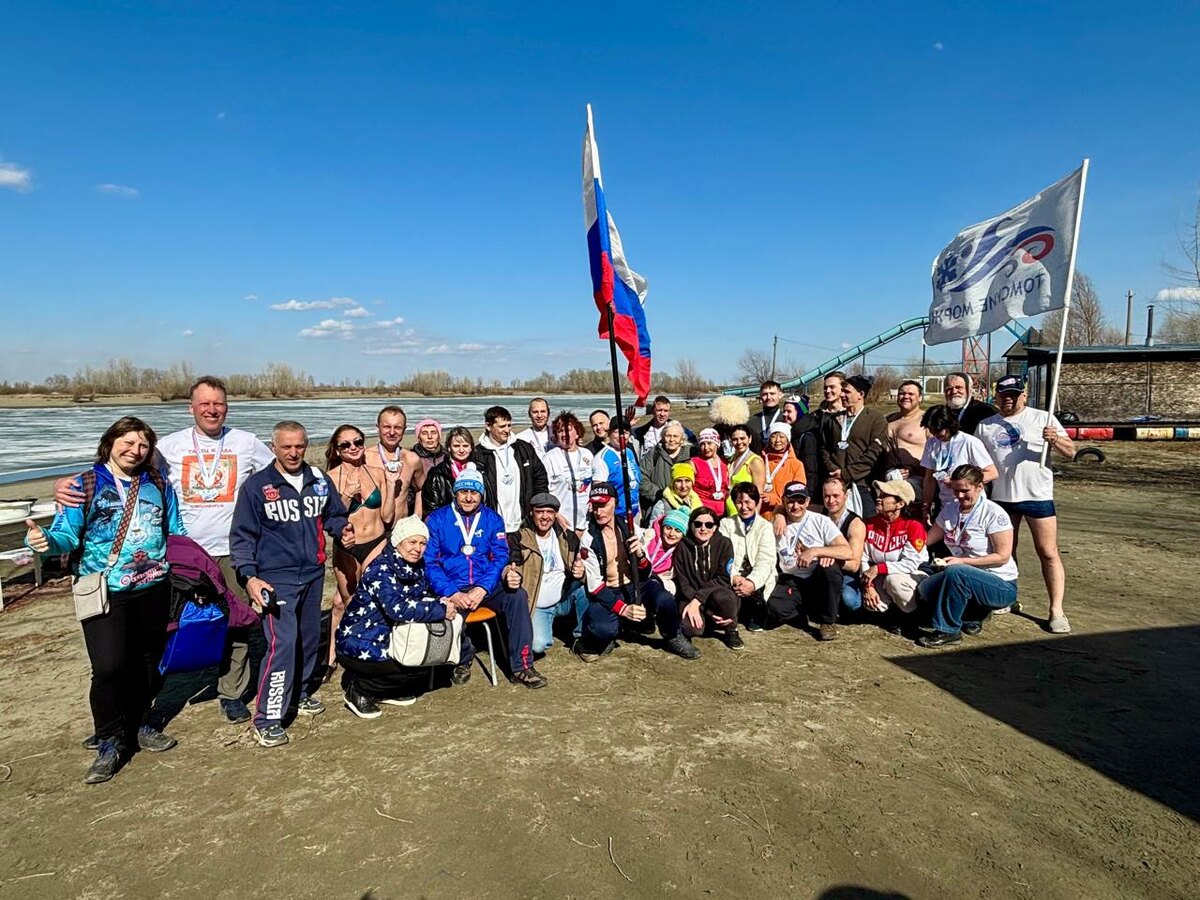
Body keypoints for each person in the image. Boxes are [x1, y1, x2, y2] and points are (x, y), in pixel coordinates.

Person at [53, 375, 274, 726]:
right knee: (165, 627)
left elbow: (274, 475)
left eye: (218, 404)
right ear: (192, 409)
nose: (212, 410)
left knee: (235, 622)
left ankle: (231, 692)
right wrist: (65, 484)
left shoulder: (247, 442)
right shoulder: (168, 447)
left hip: (234, 550)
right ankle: (145, 704)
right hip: (177, 554)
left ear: (227, 407)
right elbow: (121, 469)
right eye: (204, 404)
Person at [27, 416, 185, 784]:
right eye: (128, 442)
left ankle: (141, 722)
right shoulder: (85, 483)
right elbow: (66, 536)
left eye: (143, 445)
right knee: (110, 666)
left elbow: (174, 530)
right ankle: (110, 739)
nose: (135, 450)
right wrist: (44, 543)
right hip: (104, 590)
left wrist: (186, 567)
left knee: (149, 661)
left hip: (154, 586)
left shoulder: (158, 483)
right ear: (110, 443)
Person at [229, 421, 353, 748]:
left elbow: (334, 515)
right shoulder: (258, 487)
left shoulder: (317, 480)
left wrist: (342, 529)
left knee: (308, 638)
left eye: (299, 446)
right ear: (274, 448)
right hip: (275, 578)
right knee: (282, 643)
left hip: (312, 573)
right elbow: (242, 537)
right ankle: (268, 718)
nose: (294, 453)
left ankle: (298, 692)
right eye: (287, 447)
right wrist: (249, 575)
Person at [424, 464, 546, 687]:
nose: (469, 498)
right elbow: (430, 563)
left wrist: (483, 588)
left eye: (474, 492)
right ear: (455, 492)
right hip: (452, 586)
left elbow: (500, 556)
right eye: (463, 492)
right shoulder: (436, 519)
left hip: (485, 586)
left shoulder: (493, 519)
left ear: (481, 494)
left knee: (517, 596)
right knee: (443, 609)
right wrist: (451, 592)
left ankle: (522, 666)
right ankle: (463, 657)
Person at [975, 374, 1075, 633]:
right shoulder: (986, 426)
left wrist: (1054, 439)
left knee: (1048, 552)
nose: (1008, 400)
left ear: (1023, 395)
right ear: (995, 396)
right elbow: (978, 464)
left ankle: (1056, 611)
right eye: (1003, 395)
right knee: (1005, 553)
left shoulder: (1043, 418)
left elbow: (1071, 451)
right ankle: (1008, 597)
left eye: (1013, 395)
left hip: (1037, 496)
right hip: (1001, 498)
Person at [336, 517, 455, 719]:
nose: (417, 548)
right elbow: (397, 609)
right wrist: (440, 610)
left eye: (422, 543)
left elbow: (421, 595)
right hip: (359, 641)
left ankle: (384, 690)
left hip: (388, 638)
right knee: (415, 668)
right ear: (398, 542)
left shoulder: (416, 566)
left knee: (424, 663)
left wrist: (440, 600)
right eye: (412, 542)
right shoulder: (380, 570)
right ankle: (360, 689)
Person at [576, 483, 697, 661]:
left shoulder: (629, 528)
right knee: (602, 628)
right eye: (595, 506)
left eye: (603, 505)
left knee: (665, 600)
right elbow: (594, 587)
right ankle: (611, 633)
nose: (598, 511)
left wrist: (640, 555)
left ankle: (673, 635)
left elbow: (647, 572)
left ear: (615, 504)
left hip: (635, 584)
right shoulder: (589, 539)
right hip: (609, 591)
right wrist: (623, 609)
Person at [916, 464, 1019, 648]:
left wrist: (962, 561)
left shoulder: (994, 513)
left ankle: (949, 631)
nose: (959, 496)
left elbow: (1002, 556)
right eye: (955, 490)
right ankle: (972, 614)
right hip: (962, 575)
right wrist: (907, 539)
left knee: (957, 572)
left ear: (979, 487)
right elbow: (928, 539)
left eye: (965, 491)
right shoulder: (950, 509)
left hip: (999, 582)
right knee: (924, 589)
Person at [324, 424, 400, 669]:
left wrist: (390, 485)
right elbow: (329, 519)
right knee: (348, 602)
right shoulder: (330, 478)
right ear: (337, 449)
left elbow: (387, 516)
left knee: (376, 599)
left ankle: (374, 648)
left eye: (357, 442)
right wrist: (346, 496)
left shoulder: (375, 472)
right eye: (346, 445)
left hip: (376, 542)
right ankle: (341, 653)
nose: (353, 448)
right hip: (347, 546)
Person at [765, 481, 853, 641]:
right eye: (791, 501)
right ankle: (806, 610)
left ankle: (828, 622)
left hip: (815, 578)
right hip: (790, 579)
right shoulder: (777, 522)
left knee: (830, 566)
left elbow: (847, 551)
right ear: (784, 501)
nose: (795, 506)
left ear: (807, 501)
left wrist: (816, 551)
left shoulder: (821, 521)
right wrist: (778, 514)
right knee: (774, 610)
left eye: (800, 501)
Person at [515, 493, 587, 654]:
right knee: (538, 646)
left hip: (564, 598)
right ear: (532, 513)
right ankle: (544, 626)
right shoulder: (521, 539)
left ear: (556, 515)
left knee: (584, 589)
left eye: (550, 512)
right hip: (538, 605)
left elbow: (582, 567)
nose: (545, 517)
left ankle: (581, 637)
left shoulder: (567, 537)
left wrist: (581, 572)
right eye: (540, 511)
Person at [859, 479, 928, 630]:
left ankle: (914, 616)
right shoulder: (869, 524)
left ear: (900, 504)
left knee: (894, 581)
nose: (879, 498)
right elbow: (863, 558)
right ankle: (892, 613)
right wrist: (868, 586)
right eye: (879, 494)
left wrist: (879, 568)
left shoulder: (914, 526)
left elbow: (910, 564)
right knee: (871, 604)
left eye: (884, 495)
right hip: (880, 574)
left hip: (912, 575)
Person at [473, 405, 549, 538]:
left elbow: (540, 478)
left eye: (509, 425)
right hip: (492, 525)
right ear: (488, 426)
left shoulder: (524, 449)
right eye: (502, 426)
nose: (507, 430)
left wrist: (537, 507)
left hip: (522, 523)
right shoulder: (478, 454)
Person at [674, 506, 743, 651]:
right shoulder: (682, 547)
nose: (703, 529)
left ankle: (731, 630)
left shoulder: (725, 544)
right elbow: (683, 582)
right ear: (691, 526)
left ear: (715, 527)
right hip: (690, 595)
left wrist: (698, 600)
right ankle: (705, 621)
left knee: (725, 597)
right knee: (691, 629)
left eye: (709, 525)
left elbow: (723, 578)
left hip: (716, 595)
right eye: (698, 524)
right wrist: (696, 603)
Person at [821, 374, 889, 517]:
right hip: (836, 485)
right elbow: (824, 448)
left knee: (864, 527)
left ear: (860, 394)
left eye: (847, 392)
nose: (842, 395)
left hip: (862, 485)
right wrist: (833, 469)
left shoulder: (875, 419)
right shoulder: (834, 420)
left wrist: (847, 473)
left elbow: (874, 452)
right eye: (842, 391)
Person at [920, 405, 998, 519]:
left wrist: (960, 483)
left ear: (949, 425)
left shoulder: (969, 442)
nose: (935, 434)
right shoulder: (932, 443)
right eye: (932, 430)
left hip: (972, 507)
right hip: (946, 506)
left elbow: (992, 473)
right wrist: (926, 506)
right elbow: (929, 479)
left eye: (938, 430)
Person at [719, 483, 777, 632]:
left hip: (756, 576)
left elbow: (767, 559)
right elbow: (723, 557)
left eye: (748, 502)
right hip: (735, 575)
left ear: (756, 502)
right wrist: (734, 577)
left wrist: (752, 582)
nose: (744, 507)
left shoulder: (765, 526)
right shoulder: (726, 524)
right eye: (739, 502)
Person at [820, 476, 866, 616]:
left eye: (835, 496)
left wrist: (829, 556)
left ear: (846, 496)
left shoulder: (855, 524)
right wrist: (779, 515)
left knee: (850, 602)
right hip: (820, 569)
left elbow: (854, 565)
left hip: (845, 573)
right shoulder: (818, 516)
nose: (831, 501)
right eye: (826, 496)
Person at [543, 411, 594, 534]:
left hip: (585, 522)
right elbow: (544, 491)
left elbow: (594, 483)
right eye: (560, 431)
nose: (565, 434)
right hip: (562, 523)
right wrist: (556, 515)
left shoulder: (587, 454)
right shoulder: (550, 458)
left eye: (569, 430)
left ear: (577, 433)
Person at [639, 420, 692, 522]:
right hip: (658, 506)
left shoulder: (690, 453)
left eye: (675, 436)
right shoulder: (654, 453)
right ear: (663, 438)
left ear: (682, 439)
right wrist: (658, 494)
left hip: (685, 505)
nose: (671, 440)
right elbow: (641, 477)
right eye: (668, 436)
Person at [375, 406, 423, 518]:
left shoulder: (412, 459)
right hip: (375, 531)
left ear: (404, 430)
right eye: (387, 427)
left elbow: (421, 488)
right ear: (378, 428)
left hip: (401, 528)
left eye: (397, 427)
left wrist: (417, 516)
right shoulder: (365, 458)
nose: (392, 432)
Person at [591, 418, 642, 522]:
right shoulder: (602, 458)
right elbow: (599, 493)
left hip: (634, 513)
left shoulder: (629, 452)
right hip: (616, 516)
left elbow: (635, 483)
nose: (621, 436)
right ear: (609, 433)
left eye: (625, 432)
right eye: (616, 432)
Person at [885, 380, 927, 505]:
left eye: (910, 394)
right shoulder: (889, 419)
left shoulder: (926, 420)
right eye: (902, 394)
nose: (905, 397)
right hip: (889, 476)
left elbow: (936, 452)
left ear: (919, 398)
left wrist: (915, 469)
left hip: (916, 478)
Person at [421, 426, 475, 519]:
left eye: (465, 446)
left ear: (471, 448)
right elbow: (431, 508)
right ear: (449, 448)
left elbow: (487, 502)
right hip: (448, 523)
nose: (461, 450)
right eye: (456, 446)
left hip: (476, 524)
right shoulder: (437, 473)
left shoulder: (481, 470)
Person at [761, 422, 807, 517]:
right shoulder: (760, 461)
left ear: (788, 439)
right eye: (773, 436)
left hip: (785, 515)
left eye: (781, 437)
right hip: (761, 514)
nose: (777, 440)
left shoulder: (796, 465)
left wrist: (773, 499)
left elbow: (798, 494)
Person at [725, 423, 766, 516]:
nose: (739, 442)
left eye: (742, 438)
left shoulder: (755, 461)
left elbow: (759, 494)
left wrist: (753, 519)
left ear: (750, 439)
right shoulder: (732, 460)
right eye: (735, 439)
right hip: (730, 515)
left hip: (745, 514)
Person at [691, 428, 730, 517]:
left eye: (709, 443)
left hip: (723, 512)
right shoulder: (694, 462)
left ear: (717, 444)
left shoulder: (725, 463)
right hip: (702, 512)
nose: (706, 448)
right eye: (702, 444)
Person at [749, 380, 785, 453]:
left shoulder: (786, 419)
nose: (769, 397)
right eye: (765, 394)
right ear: (760, 396)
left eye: (772, 393)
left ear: (780, 395)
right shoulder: (751, 422)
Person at [515, 397, 555, 462]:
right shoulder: (521, 438)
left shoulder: (558, 435)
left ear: (548, 413)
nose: (539, 415)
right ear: (529, 414)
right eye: (535, 412)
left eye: (543, 411)